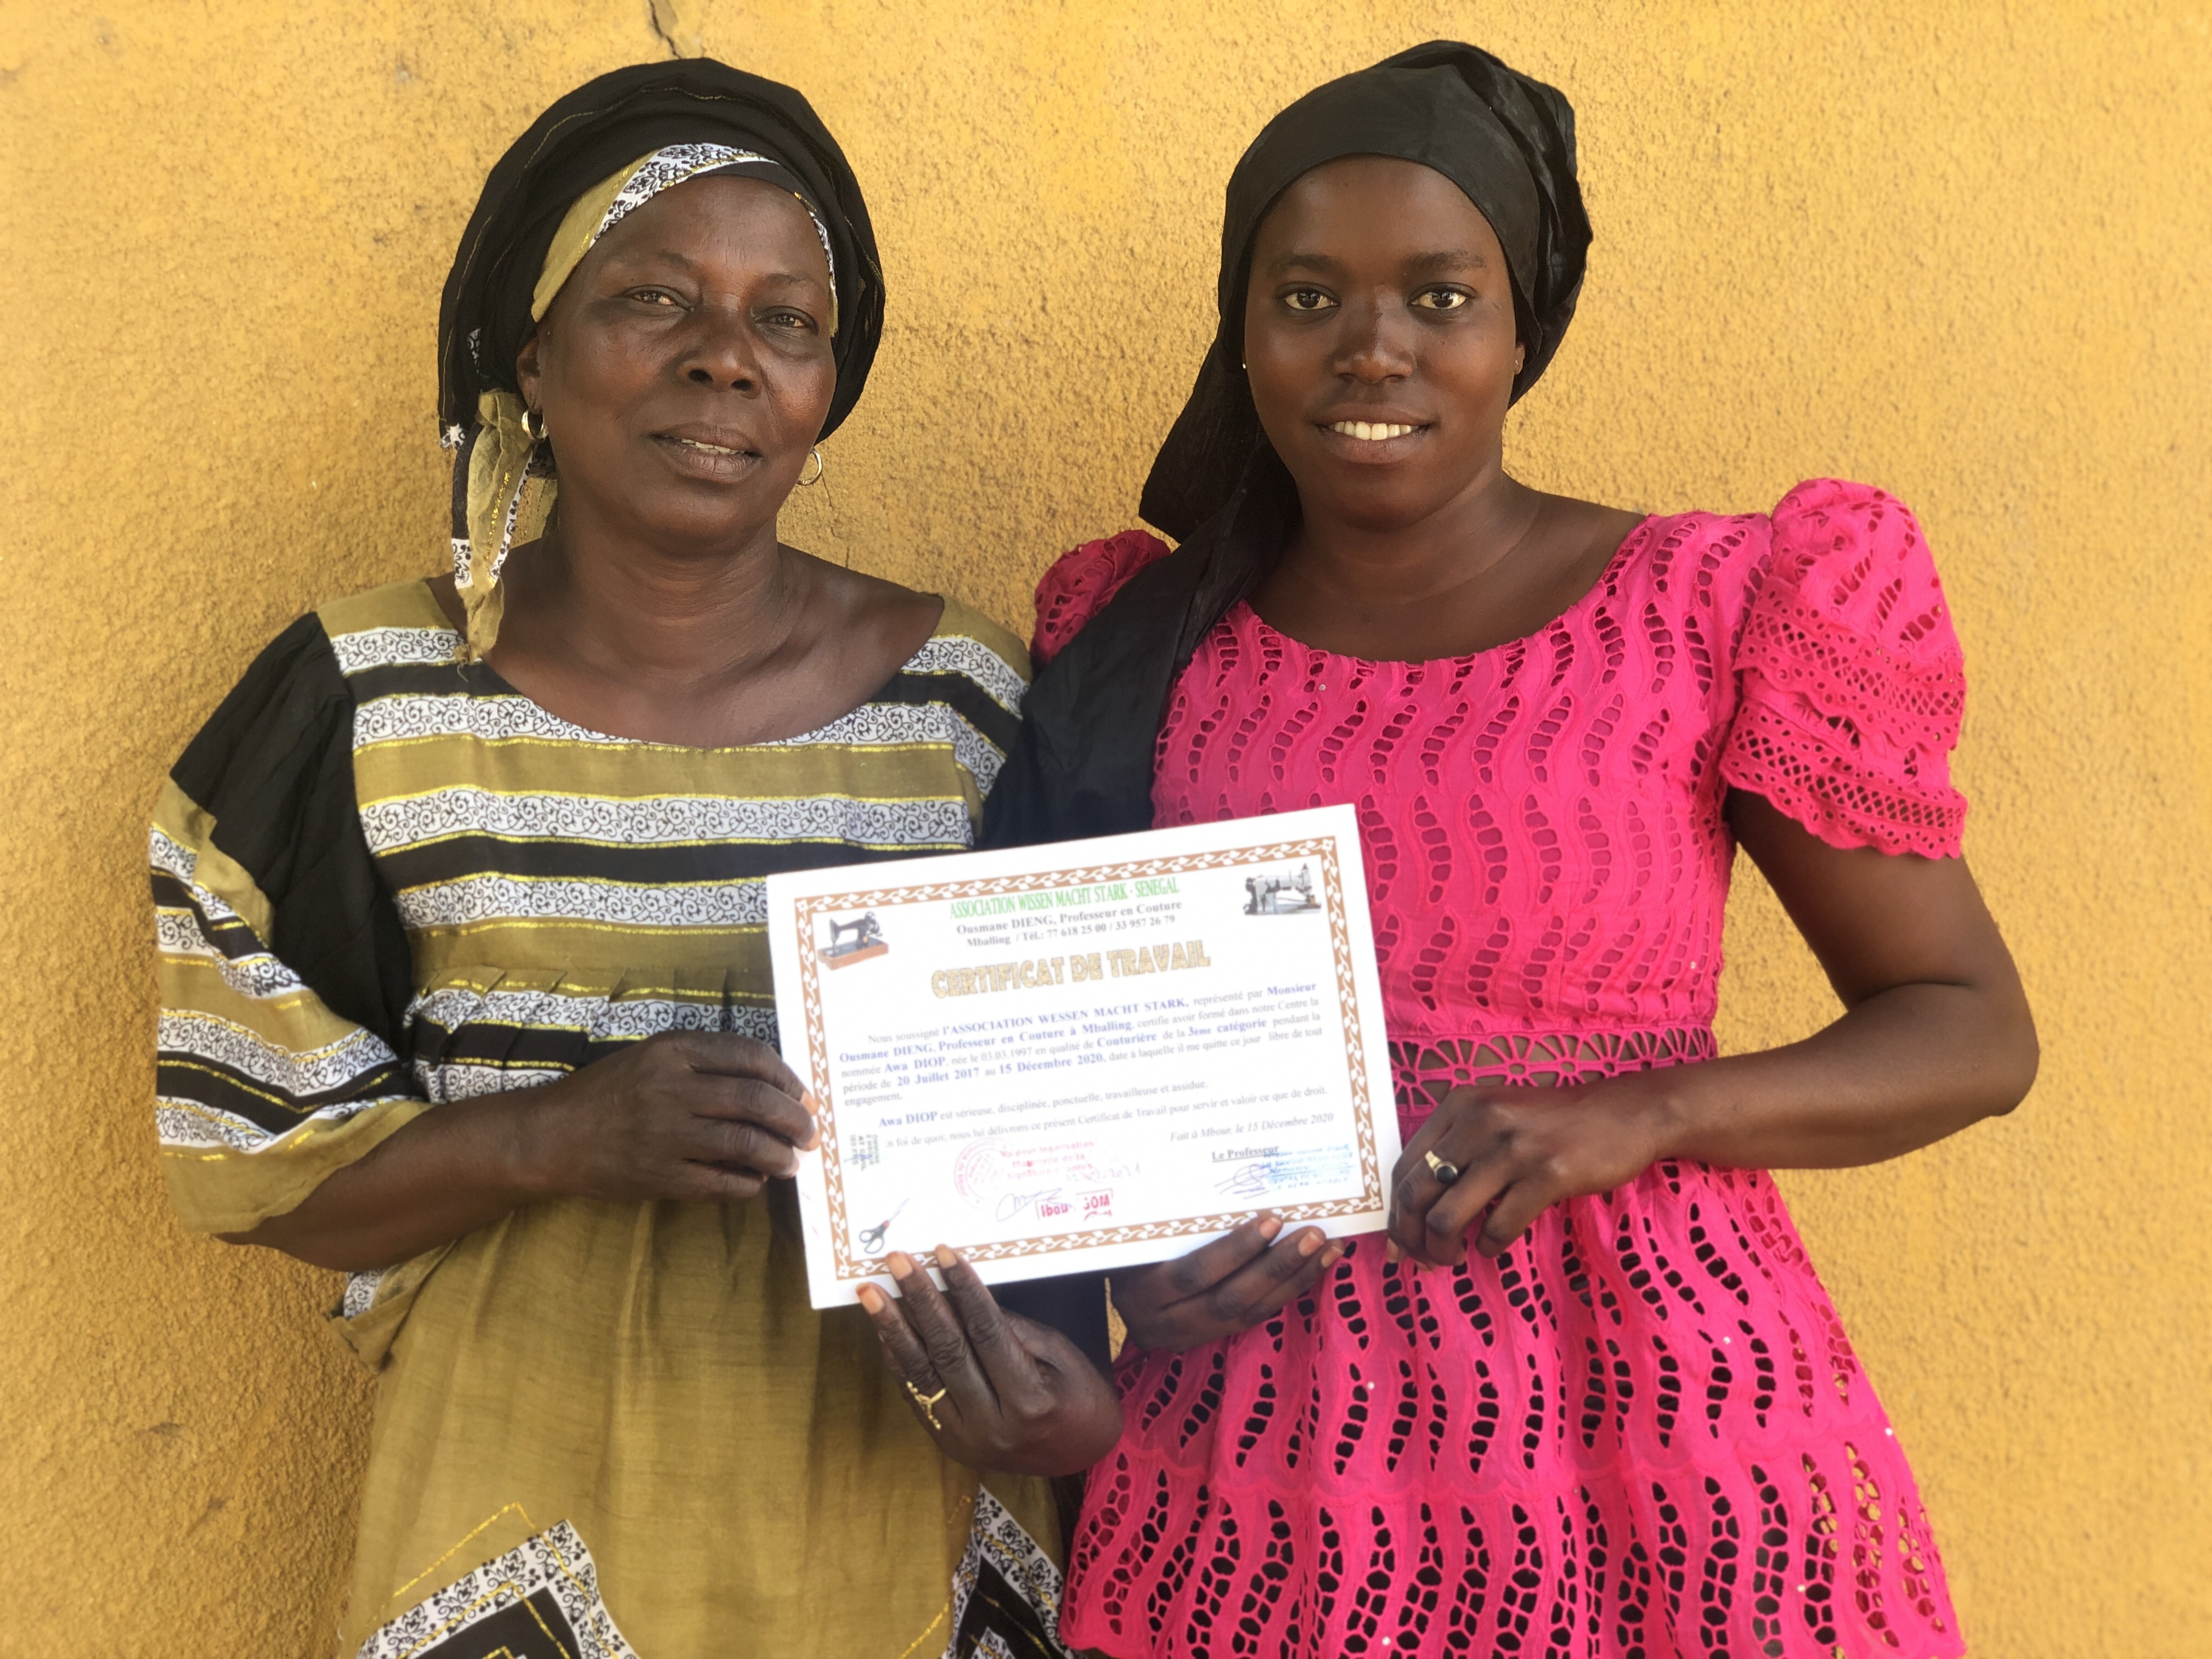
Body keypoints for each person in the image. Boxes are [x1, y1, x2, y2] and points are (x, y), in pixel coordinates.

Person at [988, 42, 2037, 1659]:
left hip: (1657, 1419)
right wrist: (1142, 1267)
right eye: (1309, 297)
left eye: (1441, 297)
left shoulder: (1712, 607)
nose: (1373, 348)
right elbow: (1075, 1061)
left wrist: (1647, 1111)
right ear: (1243, 331)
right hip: (1272, 1446)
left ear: (1522, 325)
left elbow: (1968, 1027)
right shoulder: (1140, 642)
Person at [150, 60, 1116, 1657]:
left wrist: (1071, 1384)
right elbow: (261, 1168)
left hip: (899, 1502)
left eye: (784, 321)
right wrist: (560, 1135)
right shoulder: (358, 699)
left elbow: (1084, 1125)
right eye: (653, 299)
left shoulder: (969, 704)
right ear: (532, 353)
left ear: (825, 387)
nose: (724, 359)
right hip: (515, 1503)